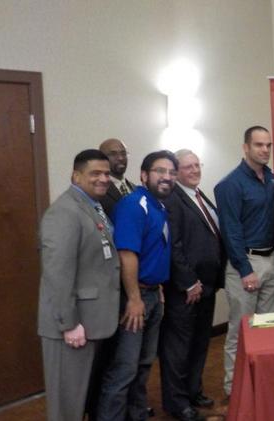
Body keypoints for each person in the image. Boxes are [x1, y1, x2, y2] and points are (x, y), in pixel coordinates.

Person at [37, 150, 120, 421]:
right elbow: (57, 273)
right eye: (95, 173)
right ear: (76, 176)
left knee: (80, 400)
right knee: (67, 406)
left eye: (106, 173)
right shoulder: (64, 212)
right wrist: (69, 323)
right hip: (71, 325)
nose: (103, 179)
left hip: (92, 320)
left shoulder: (91, 206)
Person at [97, 150, 179, 421]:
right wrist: (134, 299)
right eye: (160, 171)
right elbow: (126, 254)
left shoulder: (158, 206)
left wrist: (158, 289)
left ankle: (137, 414)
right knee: (125, 369)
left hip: (152, 295)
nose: (167, 177)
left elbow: (154, 251)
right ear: (144, 175)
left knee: (143, 365)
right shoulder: (134, 204)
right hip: (135, 299)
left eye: (172, 172)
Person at [214, 126, 274, 397]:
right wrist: (245, 269)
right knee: (241, 331)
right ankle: (235, 391)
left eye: (268, 145)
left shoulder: (271, 178)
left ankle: (262, 385)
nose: (265, 150)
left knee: (269, 328)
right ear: (245, 147)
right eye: (258, 145)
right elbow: (231, 231)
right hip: (246, 264)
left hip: (273, 259)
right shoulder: (230, 185)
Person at [160, 150, 225, 418]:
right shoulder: (173, 200)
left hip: (207, 285)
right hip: (186, 289)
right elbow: (173, 245)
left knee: (200, 343)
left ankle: (193, 390)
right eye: (188, 166)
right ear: (176, 172)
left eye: (197, 165)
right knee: (178, 349)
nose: (195, 170)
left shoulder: (199, 195)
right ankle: (177, 403)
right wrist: (188, 282)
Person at [99, 138, 136, 218]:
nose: (120, 158)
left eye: (123, 153)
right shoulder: (98, 189)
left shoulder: (135, 189)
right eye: (113, 154)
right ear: (101, 158)